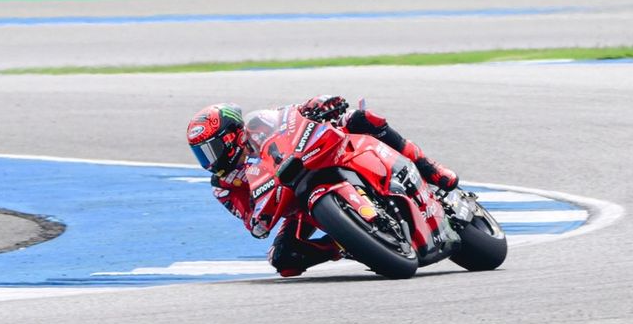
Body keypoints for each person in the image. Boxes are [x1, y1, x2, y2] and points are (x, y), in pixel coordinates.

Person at [186, 96, 458, 277]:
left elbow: (293, 115)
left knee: (361, 118)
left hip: (319, 154)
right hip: (294, 202)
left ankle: (430, 168)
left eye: (212, 149)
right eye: (202, 154)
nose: (210, 160)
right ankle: (350, 242)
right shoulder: (223, 185)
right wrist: (261, 218)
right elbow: (253, 222)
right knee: (284, 260)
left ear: (231, 134)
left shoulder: (259, 124)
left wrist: (321, 105)